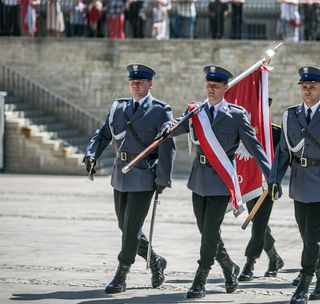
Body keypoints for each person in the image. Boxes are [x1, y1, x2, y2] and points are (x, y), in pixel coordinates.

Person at [158, 65, 271, 298]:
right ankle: (229, 267)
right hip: (198, 178)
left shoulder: (237, 115)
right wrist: (167, 128)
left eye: (216, 86)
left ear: (225, 88)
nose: (211, 89)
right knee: (206, 231)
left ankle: (201, 277)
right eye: (208, 85)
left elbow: (255, 148)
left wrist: (271, 175)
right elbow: (177, 125)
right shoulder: (196, 112)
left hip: (221, 181)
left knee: (210, 232)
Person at [83, 64, 176, 293]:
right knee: (124, 226)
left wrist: (163, 179)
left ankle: (122, 274)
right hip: (120, 173)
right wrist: (91, 154)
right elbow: (104, 134)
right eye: (132, 82)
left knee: (132, 228)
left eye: (141, 82)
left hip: (144, 176)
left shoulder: (161, 110)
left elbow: (167, 146)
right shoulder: (118, 107)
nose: (136, 85)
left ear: (150, 84)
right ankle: (155, 260)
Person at [269, 66, 320, 303]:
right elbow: (283, 152)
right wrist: (274, 180)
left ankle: (304, 284)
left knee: (313, 238)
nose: (307, 91)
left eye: (312, 87)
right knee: (308, 237)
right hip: (299, 183)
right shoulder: (290, 115)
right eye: (304, 87)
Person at [238, 122, 285, 282]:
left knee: (258, 224)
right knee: (260, 223)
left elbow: (282, 157)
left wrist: (275, 180)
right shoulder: (243, 127)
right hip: (248, 183)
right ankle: (275, 259)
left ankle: (249, 264)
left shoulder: (275, 131)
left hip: (266, 185)